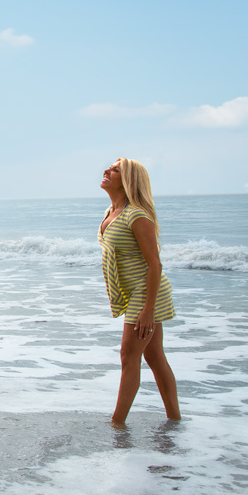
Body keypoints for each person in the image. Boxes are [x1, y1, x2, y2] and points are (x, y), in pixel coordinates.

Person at [98, 158, 181, 427]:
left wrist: (147, 310)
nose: (107, 171)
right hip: (137, 292)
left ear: (128, 181)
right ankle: (175, 419)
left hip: (147, 292)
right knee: (155, 356)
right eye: (109, 167)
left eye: (115, 170)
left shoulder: (137, 215)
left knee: (128, 355)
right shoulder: (111, 211)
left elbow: (155, 264)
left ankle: (117, 423)